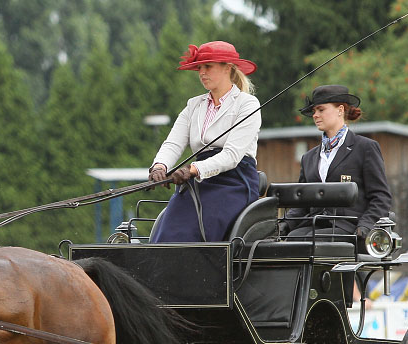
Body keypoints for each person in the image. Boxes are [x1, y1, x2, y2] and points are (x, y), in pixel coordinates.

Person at [148, 41, 261, 243]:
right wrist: (160, 166)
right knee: (168, 229)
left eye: (208, 66)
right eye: (199, 67)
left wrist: (192, 169)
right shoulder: (193, 105)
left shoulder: (247, 104)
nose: (202, 72)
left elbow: (232, 156)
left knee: (198, 229)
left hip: (234, 181)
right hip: (198, 182)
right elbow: (173, 143)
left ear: (227, 68)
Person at [285, 84, 392, 244]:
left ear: (340, 110)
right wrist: (285, 224)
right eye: (314, 111)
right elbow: (303, 203)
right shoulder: (308, 157)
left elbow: (381, 197)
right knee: (291, 240)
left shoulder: (365, 148)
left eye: (321, 110)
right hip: (314, 225)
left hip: (350, 228)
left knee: (309, 241)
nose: (315, 115)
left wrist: (365, 225)